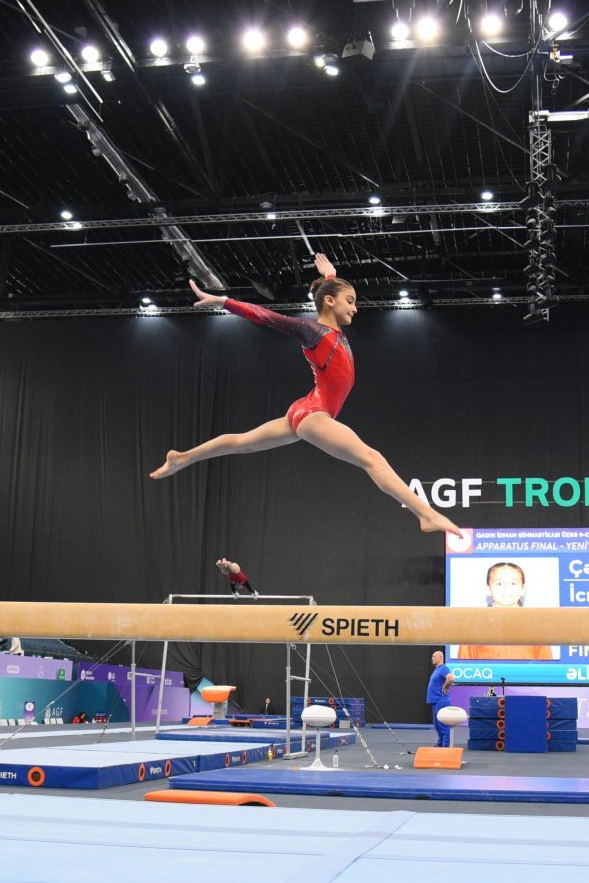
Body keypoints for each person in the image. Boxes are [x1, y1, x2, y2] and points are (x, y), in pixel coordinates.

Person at [149, 253, 460, 536]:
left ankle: (182, 458)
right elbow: (266, 316)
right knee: (371, 458)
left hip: (304, 410)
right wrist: (225, 302)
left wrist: (330, 277)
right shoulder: (314, 332)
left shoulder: (331, 331)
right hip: (315, 413)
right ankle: (427, 514)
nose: (355, 307)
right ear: (329, 302)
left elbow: (327, 299)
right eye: (349, 300)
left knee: (243, 443)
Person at [455, 562, 554, 661]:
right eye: (499, 583)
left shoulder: (536, 628)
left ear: (523, 589)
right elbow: (464, 670)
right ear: (488, 589)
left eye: (513, 583)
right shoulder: (473, 628)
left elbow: (548, 671)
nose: (506, 589)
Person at [426, 650, 455, 747]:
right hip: (435, 701)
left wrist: (446, 686)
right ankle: (440, 744)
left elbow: (450, 678)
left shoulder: (443, 668)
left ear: (440, 658)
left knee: (443, 726)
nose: (432, 658)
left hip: (441, 701)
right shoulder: (437, 669)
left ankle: (445, 747)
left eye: (434, 656)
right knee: (437, 726)